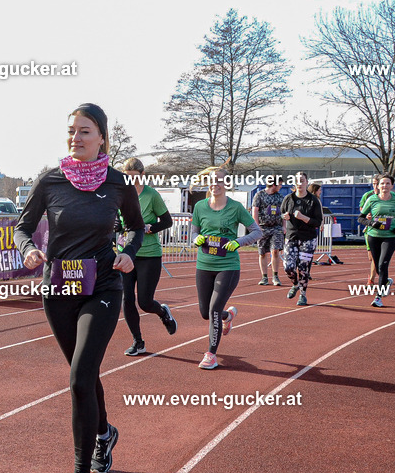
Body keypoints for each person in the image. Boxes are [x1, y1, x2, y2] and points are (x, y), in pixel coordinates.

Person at [15, 103, 144, 473]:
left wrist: (129, 252)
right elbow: (22, 225)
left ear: (102, 137)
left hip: (102, 286)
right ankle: (104, 432)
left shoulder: (118, 182)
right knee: (82, 376)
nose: (76, 137)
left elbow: (137, 228)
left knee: (78, 379)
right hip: (58, 288)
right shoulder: (50, 181)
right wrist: (29, 248)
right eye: (72, 131)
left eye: (85, 131)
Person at [191, 166, 262, 370]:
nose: (216, 184)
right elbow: (193, 233)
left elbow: (257, 231)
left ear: (226, 184)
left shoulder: (236, 207)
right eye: (213, 181)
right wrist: (198, 239)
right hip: (204, 265)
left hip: (228, 266)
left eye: (220, 181)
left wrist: (239, 241)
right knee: (206, 312)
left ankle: (211, 354)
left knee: (213, 308)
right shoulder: (200, 207)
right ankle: (227, 316)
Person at [119, 157, 177, 356]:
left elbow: (168, 221)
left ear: (142, 176)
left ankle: (163, 312)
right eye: (127, 178)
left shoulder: (151, 195)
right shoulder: (120, 195)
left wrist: (153, 228)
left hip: (149, 254)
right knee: (126, 299)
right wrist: (117, 227)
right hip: (126, 254)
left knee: (144, 302)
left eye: (134, 178)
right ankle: (138, 341)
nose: (131, 182)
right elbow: (117, 222)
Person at [360, 174, 395, 307]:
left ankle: (378, 297)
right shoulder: (372, 199)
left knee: (383, 265)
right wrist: (371, 223)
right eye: (382, 183)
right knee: (378, 267)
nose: (384, 186)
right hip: (374, 236)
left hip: (390, 237)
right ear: (378, 185)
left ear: (392, 186)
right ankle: (386, 281)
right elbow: (361, 218)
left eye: (387, 183)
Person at [280, 172, 323, 306]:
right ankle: (295, 284)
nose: (299, 183)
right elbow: (281, 213)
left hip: (308, 238)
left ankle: (303, 295)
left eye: (302, 180)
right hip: (291, 237)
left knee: (303, 268)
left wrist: (304, 218)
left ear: (306, 182)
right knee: (288, 267)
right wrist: (284, 216)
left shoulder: (313, 200)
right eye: (297, 180)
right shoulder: (288, 198)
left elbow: (318, 221)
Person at [251, 178, 286, 286]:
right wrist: (256, 227)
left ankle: (275, 276)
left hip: (276, 227)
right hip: (263, 227)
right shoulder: (259, 195)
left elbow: (284, 212)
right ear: (274, 184)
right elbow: (255, 210)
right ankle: (264, 277)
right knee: (262, 253)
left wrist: (284, 226)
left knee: (275, 251)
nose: (280, 187)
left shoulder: (280, 197)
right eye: (279, 184)